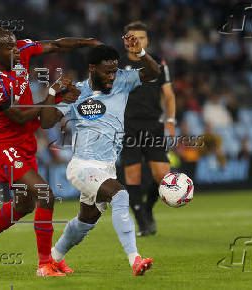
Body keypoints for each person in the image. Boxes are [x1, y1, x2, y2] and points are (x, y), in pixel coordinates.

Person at [0, 27, 100, 277]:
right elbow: (19, 114)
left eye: (15, 45)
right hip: (0, 143)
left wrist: (88, 41)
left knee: (24, 204)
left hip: (24, 140)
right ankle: (45, 264)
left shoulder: (20, 51)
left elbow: (57, 44)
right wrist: (52, 94)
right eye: (8, 48)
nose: (15, 50)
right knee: (44, 195)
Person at [39, 36, 160, 276]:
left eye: (115, 71)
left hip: (107, 168)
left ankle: (53, 259)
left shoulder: (123, 81)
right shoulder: (78, 92)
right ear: (92, 69)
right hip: (83, 166)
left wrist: (141, 52)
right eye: (107, 72)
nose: (112, 76)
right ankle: (135, 259)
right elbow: (45, 121)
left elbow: (153, 72)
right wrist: (54, 92)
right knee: (120, 194)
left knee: (85, 222)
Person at [118, 21, 177, 237]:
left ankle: (148, 208)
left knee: (163, 176)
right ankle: (143, 223)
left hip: (153, 125)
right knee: (132, 176)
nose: (138, 41)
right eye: (133, 38)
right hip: (128, 127)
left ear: (147, 40)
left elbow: (169, 94)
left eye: (142, 38)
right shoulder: (117, 65)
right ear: (126, 41)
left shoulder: (157, 63)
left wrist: (170, 119)